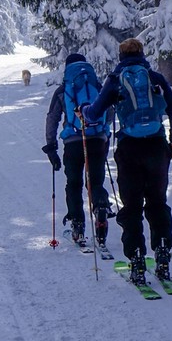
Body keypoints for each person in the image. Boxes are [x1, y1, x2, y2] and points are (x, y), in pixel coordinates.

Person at [80, 38, 172, 285]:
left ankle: (136, 259)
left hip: (129, 148)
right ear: (142, 54)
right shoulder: (155, 78)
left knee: (132, 206)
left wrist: (83, 110)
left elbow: (95, 113)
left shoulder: (115, 80)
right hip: (157, 147)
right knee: (157, 203)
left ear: (121, 56)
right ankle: (163, 253)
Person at [42, 53, 113, 247]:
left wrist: (51, 147)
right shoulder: (98, 87)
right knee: (95, 182)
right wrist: (103, 134)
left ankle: (78, 225)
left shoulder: (63, 90)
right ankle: (100, 208)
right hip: (97, 140)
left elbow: (52, 118)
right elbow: (109, 113)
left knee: (73, 184)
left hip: (73, 142)